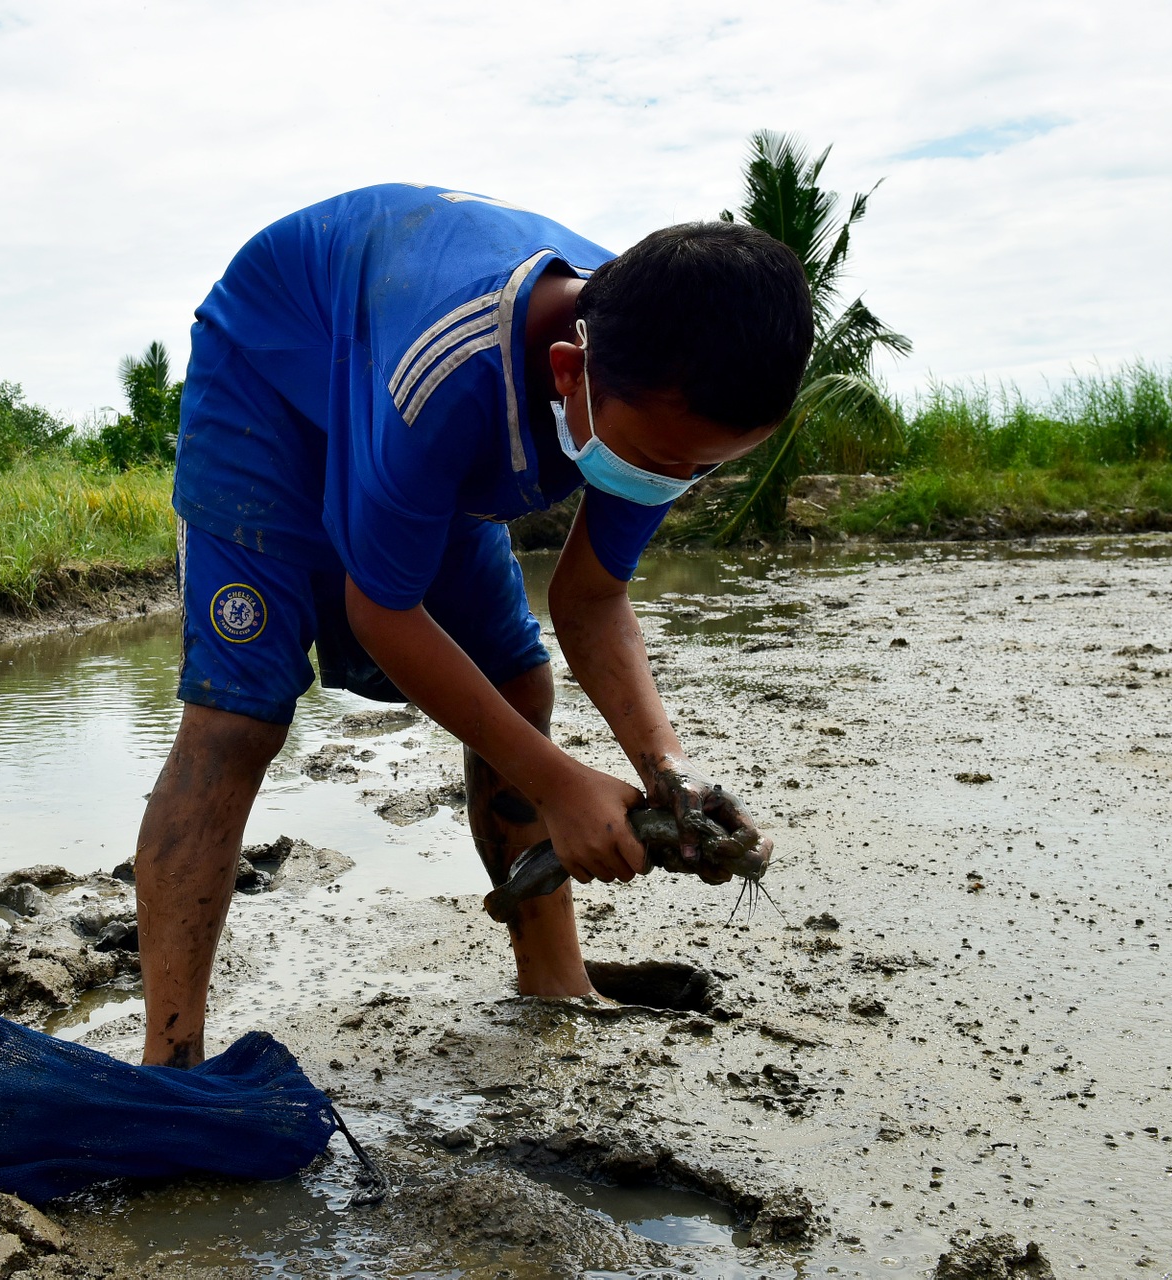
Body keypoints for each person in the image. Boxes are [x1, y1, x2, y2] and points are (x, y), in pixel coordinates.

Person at [133, 183, 813, 1067]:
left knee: (518, 683)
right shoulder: (450, 381)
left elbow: (590, 599)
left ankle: (556, 982)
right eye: (660, 464)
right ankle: (171, 1062)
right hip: (273, 387)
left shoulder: (660, 369)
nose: (671, 484)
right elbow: (381, 613)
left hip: (413, 416)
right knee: (237, 722)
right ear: (569, 373)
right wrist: (561, 786)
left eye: (702, 469)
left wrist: (666, 768)